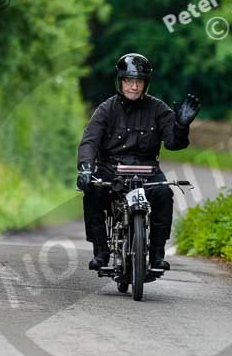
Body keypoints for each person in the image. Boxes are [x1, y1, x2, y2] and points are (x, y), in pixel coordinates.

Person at [76, 53, 200, 271]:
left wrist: (181, 126)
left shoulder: (158, 108)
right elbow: (90, 141)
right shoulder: (106, 109)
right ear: (119, 81)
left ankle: (157, 254)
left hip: (147, 170)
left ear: (146, 84)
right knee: (93, 193)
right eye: (128, 81)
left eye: (139, 81)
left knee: (164, 195)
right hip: (111, 169)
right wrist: (86, 169)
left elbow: (174, 143)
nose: (134, 87)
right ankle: (101, 251)